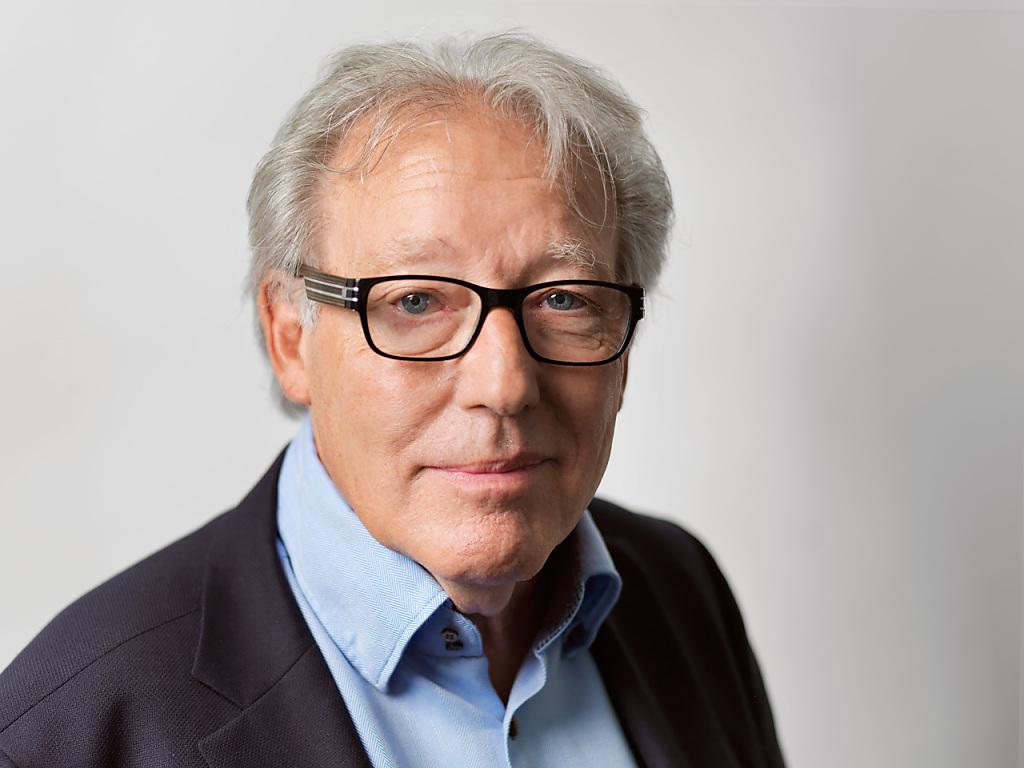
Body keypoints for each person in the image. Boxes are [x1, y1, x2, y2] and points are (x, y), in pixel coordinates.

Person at [0, 32, 785, 767]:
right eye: (415, 301)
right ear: (290, 336)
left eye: (564, 299)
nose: (504, 386)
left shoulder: (680, 592)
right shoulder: (75, 730)